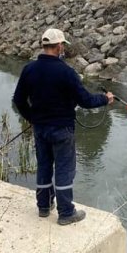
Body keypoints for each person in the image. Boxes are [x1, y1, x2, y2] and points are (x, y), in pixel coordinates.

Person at [13, 28, 114, 226]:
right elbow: (85, 101)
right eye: (63, 46)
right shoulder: (66, 72)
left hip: (40, 129)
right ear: (59, 46)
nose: (63, 49)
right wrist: (105, 98)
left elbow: (18, 100)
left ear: (44, 46)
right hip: (62, 130)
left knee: (44, 166)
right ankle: (66, 213)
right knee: (64, 170)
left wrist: (32, 118)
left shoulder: (29, 69)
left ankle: (43, 206)